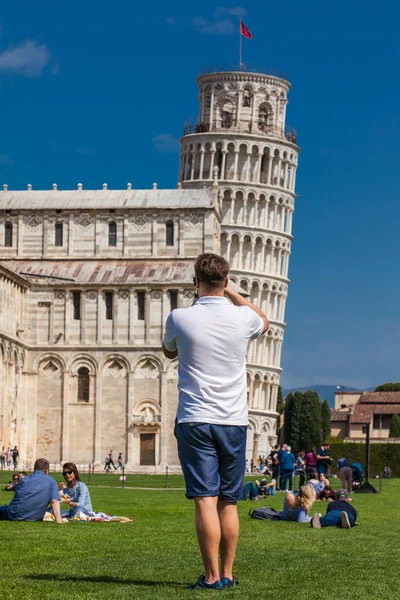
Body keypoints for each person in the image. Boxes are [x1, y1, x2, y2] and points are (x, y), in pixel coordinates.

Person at [162, 253, 269, 590]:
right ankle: (227, 573)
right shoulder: (242, 318)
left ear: (196, 282)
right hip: (234, 420)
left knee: (205, 499)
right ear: (225, 281)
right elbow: (263, 320)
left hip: (195, 418)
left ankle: (210, 578)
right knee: (229, 501)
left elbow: (168, 351)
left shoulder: (180, 317)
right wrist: (234, 294)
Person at [0, 458, 63, 523]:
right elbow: (54, 501)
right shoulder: (51, 481)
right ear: (47, 471)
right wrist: (59, 521)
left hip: (15, 514)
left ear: (34, 469)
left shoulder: (24, 480)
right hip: (35, 517)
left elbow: (17, 495)